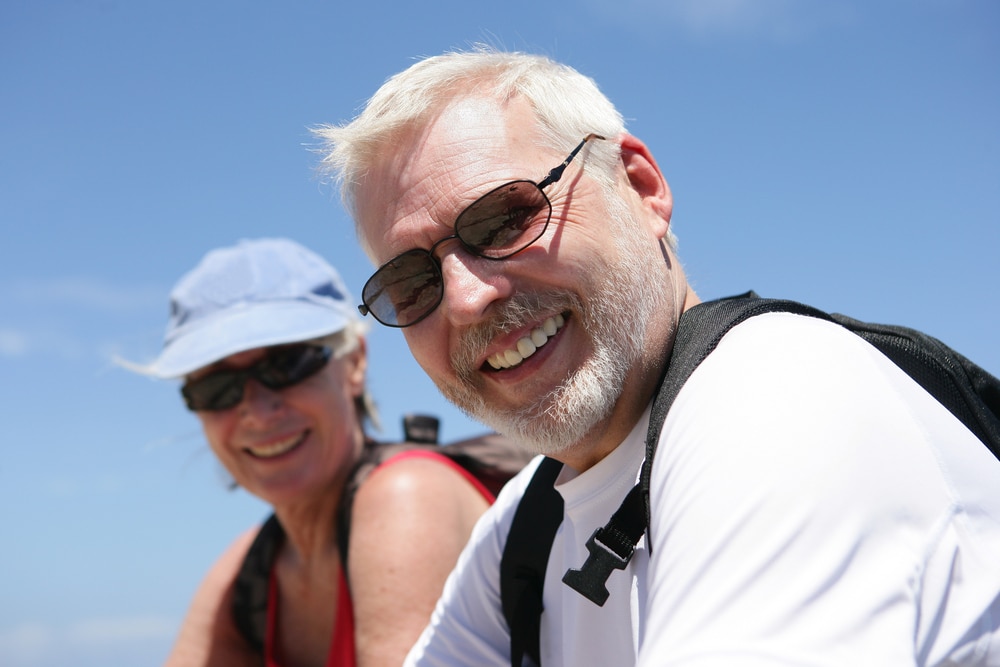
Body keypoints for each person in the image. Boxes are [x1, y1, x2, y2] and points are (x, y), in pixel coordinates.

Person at [311, 49, 1000, 666]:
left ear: (641, 188)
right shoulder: (528, 524)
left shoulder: (776, 394)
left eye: (502, 220)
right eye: (411, 283)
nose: (464, 300)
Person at [125, 238, 494, 667]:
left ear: (354, 361)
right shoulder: (250, 569)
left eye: (287, 365)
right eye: (216, 388)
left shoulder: (406, 496)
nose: (258, 412)